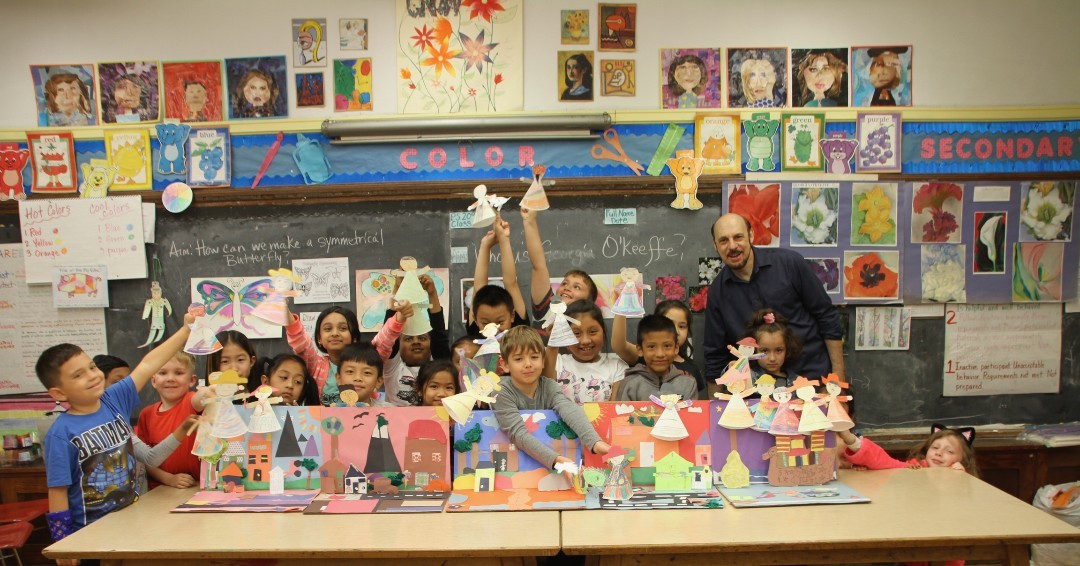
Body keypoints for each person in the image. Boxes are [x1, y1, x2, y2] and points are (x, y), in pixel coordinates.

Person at [39, 313, 192, 546]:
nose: (92, 376)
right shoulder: (61, 434)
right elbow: (57, 490)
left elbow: (149, 364)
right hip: (90, 533)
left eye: (91, 367)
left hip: (130, 520)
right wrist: (62, 541)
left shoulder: (114, 399)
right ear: (59, 393)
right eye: (78, 375)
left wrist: (185, 331)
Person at [703, 213, 844, 381]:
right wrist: (715, 405)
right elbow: (715, 354)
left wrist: (839, 380)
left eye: (738, 237)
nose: (732, 246)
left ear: (751, 235)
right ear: (715, 245)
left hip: (810, 380)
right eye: (724, 240)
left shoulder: (789, 263)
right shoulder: (718, 292)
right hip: (758, 391)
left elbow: (827, 316)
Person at [492, 326, 610, 470]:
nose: (528, 364)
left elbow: (569, 409)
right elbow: (519, 435)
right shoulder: (501, 392)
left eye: (534, 357)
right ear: (504, 364)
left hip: (551, 466)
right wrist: (557, 461)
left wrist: (595, 443)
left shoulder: (549, 386)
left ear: (543, 361)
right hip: (515, 468)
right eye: (518, 359)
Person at [285, 300, 406, 406]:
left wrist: (400, 317)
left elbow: (384, 340)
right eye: (328, 329)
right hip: (326, 427)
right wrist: (283, 309)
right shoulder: (316, 365)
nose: (335, 333)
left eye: (343, 328)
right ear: (319, 338)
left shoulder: (368, 358)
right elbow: (301, 343)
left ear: (354, 337)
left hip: (365, 423)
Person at [135, 351, 209, 489]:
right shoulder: (146, 415)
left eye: (178, 373)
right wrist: (169, 479)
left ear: (192, 380)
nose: (170, 378)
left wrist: (210, 390)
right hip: (160, 489)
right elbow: (146, 460)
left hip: (196, 487)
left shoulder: (191, 401)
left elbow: (201, 397)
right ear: (153, 381)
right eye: (163, 373)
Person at [521, 207, 599, 325]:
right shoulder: (547, 310)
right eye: (564, 283)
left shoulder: (587, 329)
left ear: (588, 302)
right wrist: (529, 221)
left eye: (577, 287)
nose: (567, 288)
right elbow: (539, 265)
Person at [611, 300, 704, 398]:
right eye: (669, 324)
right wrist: (623, 300)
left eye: (681, 326)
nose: (676, 331)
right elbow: (619, 345)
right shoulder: (632, 381)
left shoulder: (691, 375)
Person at [383, 274, 451, 406]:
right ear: (399, 344)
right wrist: (398, 288)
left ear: (430, 343)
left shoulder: (437, 367)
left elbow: (439, 336)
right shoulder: (392, 367)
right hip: (396, 424)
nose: (416, 341)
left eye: (422, 338)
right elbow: (389, 334)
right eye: (408, 339)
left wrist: (432, 293)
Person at [542, 300, 627, 403]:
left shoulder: (618, 367)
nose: (585, 340)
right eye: (576, 333)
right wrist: (554, 342)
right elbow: (544, 391)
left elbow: (613, 410)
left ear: (603, 332)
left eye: (593, 332)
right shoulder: (557, 362)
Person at [468, 217, 529, 334]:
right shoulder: (475, 333)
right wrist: (485, 245)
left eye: (500, 322)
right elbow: (478, 286)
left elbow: (511, 283)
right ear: (475, 319)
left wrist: (504, 239)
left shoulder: (519, 330)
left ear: (512, 316)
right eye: (485, 323)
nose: (494, 329)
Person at [839, 424, 979, 475]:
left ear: (963, 460)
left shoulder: (961, 474)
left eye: (950, 451)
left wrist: (961, 477)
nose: (939, 453)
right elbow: (883, 461)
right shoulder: (914, 468)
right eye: (935, 447)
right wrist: (852, 440)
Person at [744, 308, 802, 389]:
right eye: (764, 351)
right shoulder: (748, 378)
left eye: (778, 350)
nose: (772, 358)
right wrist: (735, 370)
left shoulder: (797, 382)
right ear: (753, 350)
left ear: (788, 349)